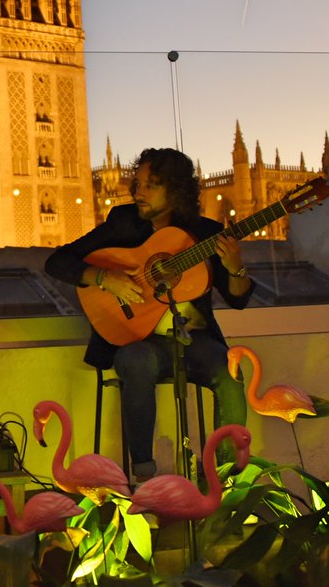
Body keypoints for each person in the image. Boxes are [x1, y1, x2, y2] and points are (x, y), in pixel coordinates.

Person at [45, 147, 252, 481]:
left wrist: (236, 269)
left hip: (194, 340)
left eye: (149, 185)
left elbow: (239, 299)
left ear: (175, 190)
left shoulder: (206, 233)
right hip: (139, 339)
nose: (138, 192)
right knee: (137, 361)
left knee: (230, 373)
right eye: (137, 184)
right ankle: (144, 477)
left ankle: (224, 478)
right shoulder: (122, 223)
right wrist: (103, 278)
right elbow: (58, 261)